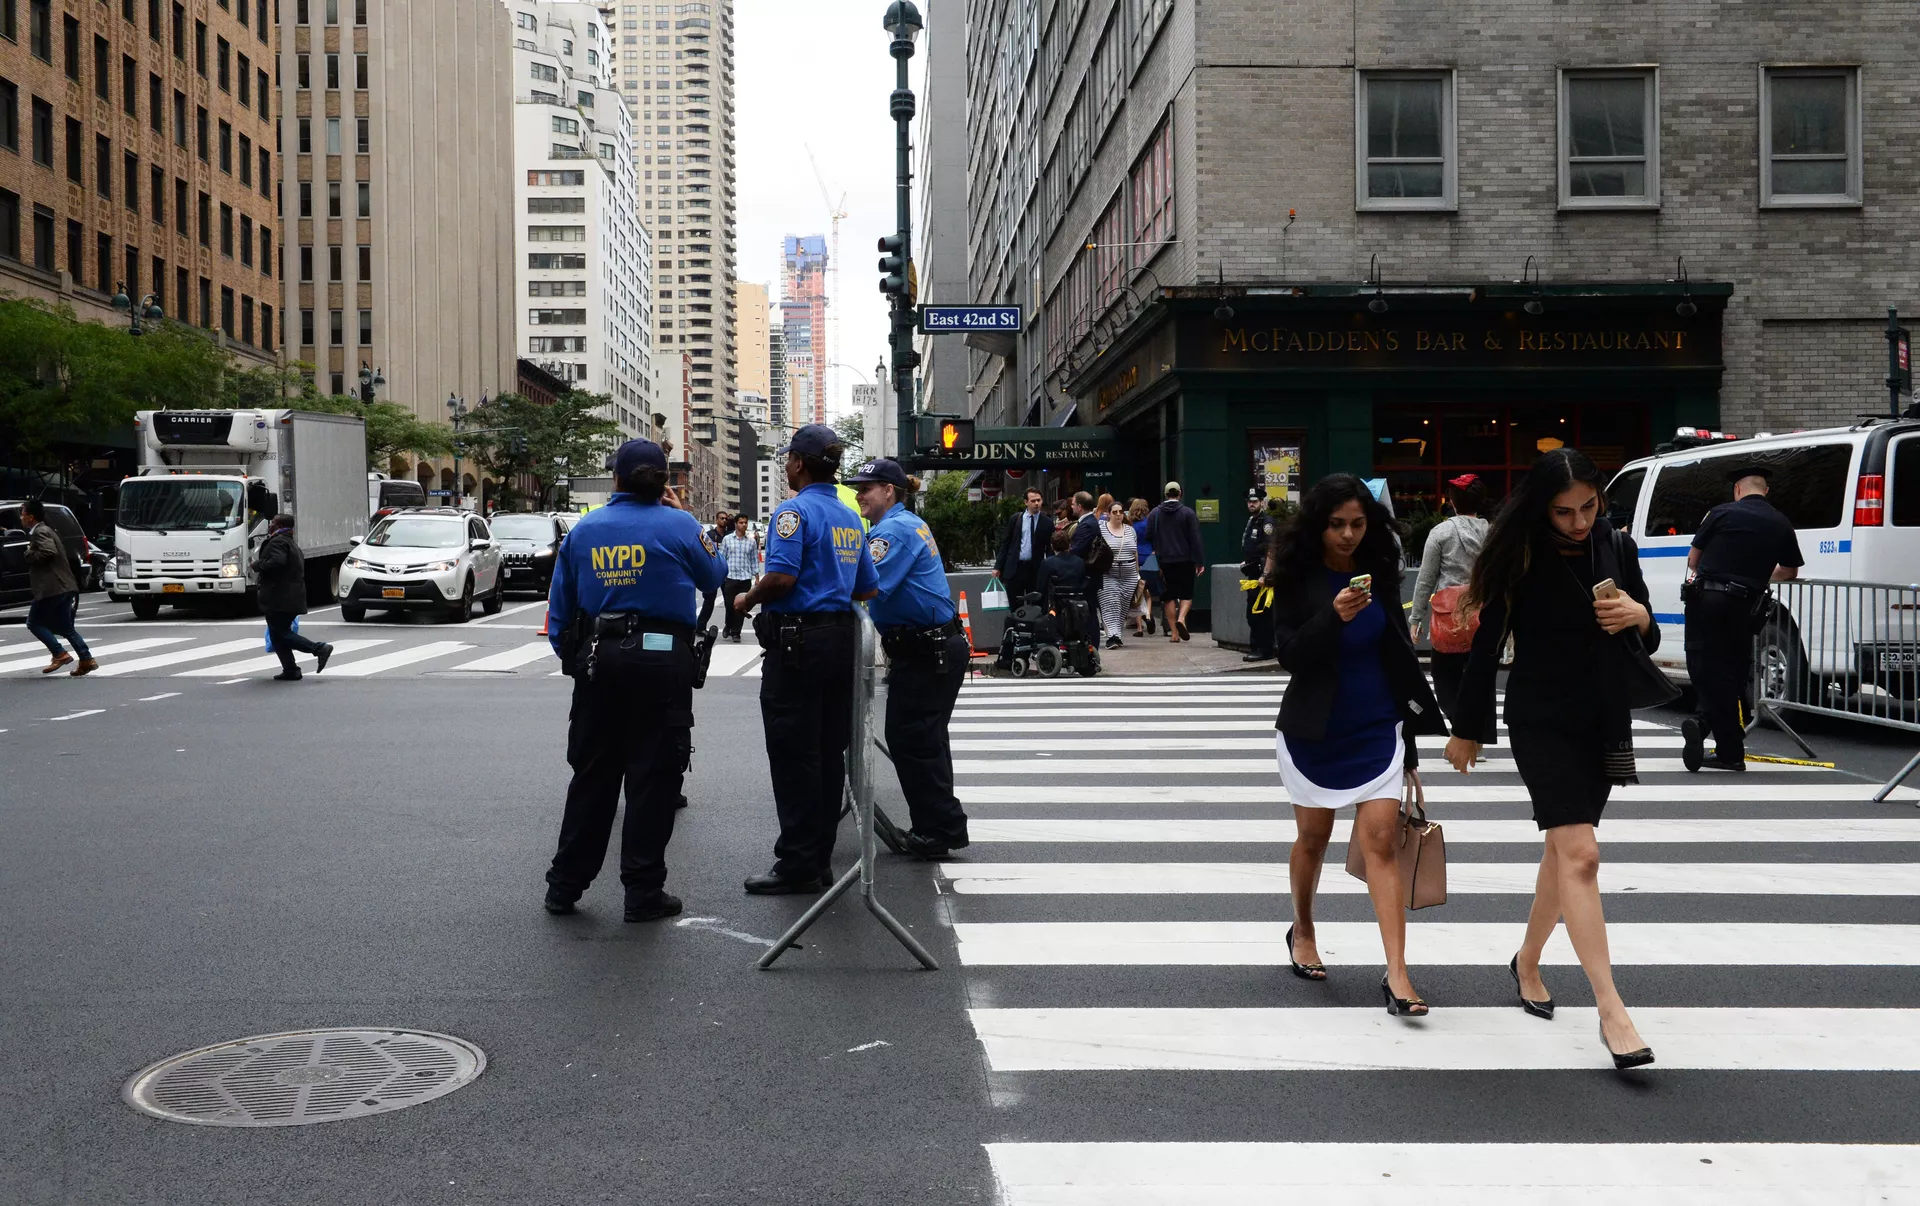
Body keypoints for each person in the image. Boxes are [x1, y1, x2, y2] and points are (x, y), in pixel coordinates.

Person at [1446, 448, 1659, 1071]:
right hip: (1540, 718)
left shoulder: (1616, 546)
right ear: (1542, 508)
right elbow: (1486, 645)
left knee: (1564, 853)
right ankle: (1612, 1011)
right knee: (1583, 854)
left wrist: (1639, 616)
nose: (1578, 521)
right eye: (1564, 512)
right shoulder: (1519, 553)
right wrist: (1468, 728)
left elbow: (1647, 637)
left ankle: (1528, 961)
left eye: (1588, 507)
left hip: (1603, 717)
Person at [1267, 476, 1448, 1017]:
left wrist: (1409, 746)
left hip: (1377, 725)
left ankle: (1398, 974)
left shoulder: (1380, 573)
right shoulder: (1296, 575)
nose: (1348, 534)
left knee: (1382, 843)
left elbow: (1398, 658)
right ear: (1318, 525)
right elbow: (1289, 654)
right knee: (1313, 837)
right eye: (1337, 524)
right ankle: (1303, 928)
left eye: (1358, 524)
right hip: (1315, 731)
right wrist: (1334, 615)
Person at [543, 439, 725, 922]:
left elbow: (560, 611)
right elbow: (715, 576)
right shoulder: (681, 526)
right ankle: (643, 893)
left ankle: (564, 887)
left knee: (593, 777)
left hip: (600, 659)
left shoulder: (585, 530)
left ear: (617, 479)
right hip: (663, 663)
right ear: (664, 482)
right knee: (654, 780)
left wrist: (576, 660)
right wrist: (683, 514)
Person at [732, 423, 879, 894]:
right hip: (839, 643)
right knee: (828, 753)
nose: (785, 466)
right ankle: (818, 859)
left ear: (798, 463)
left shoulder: (792, 512)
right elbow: (867, 588)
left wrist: (747, 599)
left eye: (788, 458)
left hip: (798, 647)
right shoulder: (850, 518)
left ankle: (798, 863)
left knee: (794, 753)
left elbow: (781, 577)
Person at [849, 457, 971, 859]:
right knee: (926, 739)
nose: (859, 495)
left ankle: (938, 831)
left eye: (866, 488)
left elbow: (866, 586)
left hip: (926, 650)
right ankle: (938, 827)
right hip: (930, 647)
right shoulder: (903, 524)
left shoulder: (894, 531)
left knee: (914, 740)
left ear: (889, 491)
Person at [1682, 463, 1803, 771]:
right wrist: (1755, 576)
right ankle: (1718, 737)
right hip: (1746, 605)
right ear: (1766, 490)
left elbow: (1693, 560)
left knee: (1705, 669)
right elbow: (1789, 571)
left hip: (1708, 601)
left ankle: (1716, 736)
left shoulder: (1720, 513)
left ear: (1737, 489)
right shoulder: (1781, 522)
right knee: (1734, 670)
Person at [1410, 473, 1491, 720]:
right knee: (1481, 680)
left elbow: (1426, 579)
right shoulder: (1492, 533)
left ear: (1452, 502)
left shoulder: (1440, 533)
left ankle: (1460, 726)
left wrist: (1416, 618)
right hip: (1483, 617)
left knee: (1444, 677)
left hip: (1449, 619)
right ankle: (1479, 734)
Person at [252, 514, 335, 682]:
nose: (269, 525)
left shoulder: (278, 542)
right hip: (288, 596)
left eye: (273, 522)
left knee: (281, 633)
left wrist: (257, 565)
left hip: (280, 598)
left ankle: (318, 648)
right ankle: (291, 669)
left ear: (279, 526)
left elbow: (277, 562)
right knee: (277, 635)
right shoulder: (290, 542)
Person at [22, 499, 97, 677]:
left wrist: (29, 554)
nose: (21, 518)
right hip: (64, 586)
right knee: (66, 628)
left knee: (34, 623)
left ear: (31, 517)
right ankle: (86, 659)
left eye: (22, 514)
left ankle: (59, 653)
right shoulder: (47, 530)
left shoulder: (40, 531)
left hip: (52, 588)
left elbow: (48, 552)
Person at [1146, 482, 1205, 641]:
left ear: (1165, 494)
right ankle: (1182, 618)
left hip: (1164, 560)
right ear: (1180, 493)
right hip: (1185, 559)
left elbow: (1148, 535)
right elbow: (1195, 539)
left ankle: (1174, 633)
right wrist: (1199, 561)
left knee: (1168, 596)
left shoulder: (1155, 513)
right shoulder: (1188, 513)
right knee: (1186, 594)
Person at [1240, 488, 1280, 662]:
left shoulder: (1266, 522)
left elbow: (1271, 550)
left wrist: (1265, 574)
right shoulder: (1252, 521)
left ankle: (1263, 649)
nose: (1251, 504)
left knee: (1260, 613)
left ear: (1262, 502)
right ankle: (1258, 647)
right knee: (1253, 612)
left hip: (1261, 574)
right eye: (1249, 501)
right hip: (1253, 572)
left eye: (1255, 501)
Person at [994, 487, 1054, 602]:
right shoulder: (1016, 519)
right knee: (1015, 604)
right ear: (1026, 502)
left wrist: (1049, 568)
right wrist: (998, 566)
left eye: (1039, 500)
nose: (1036, 503)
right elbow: (1006, 544)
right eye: (1033, 501)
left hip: (1035, 569)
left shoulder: (1047, 522)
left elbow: (1049, 548)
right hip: (1015, 568)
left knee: (1036, 604)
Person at [1097, 502, 1140, 651]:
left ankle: (1117, 635)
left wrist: (1137, 572)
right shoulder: (1101, 528)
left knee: (1122, 607)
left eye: (1120, 512)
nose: (1118, 515)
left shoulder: (1130, 530)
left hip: (1129, 574)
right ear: (1108, 514)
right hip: (1109, 573)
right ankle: (1112, 636)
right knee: (1110, 604)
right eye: (1114, 512)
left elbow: (1135, 552)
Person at [717, 514, 759, 643]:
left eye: (745, 522)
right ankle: (728, 625)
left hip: (745, 579)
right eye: (741, 522)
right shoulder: (727, 539)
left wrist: (757, 577)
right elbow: (722, 558)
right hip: (730, 577)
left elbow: (754, 560)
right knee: (729, 605)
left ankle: (736, 632)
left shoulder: (751, 541)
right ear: (736, 524)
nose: (744, 525)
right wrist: (720, 575)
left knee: (740, 606)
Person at [696, 509, 732, 628]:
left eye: (726, 519)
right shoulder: (709, 535)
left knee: (729, 601)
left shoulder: (730, 536)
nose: (724, 520)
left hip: (726, 571)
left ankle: (729, 627)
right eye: (722, 518)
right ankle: (700, 626)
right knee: (709, 600)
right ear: (716, 520)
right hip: (712, 571)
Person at [1129, 497, 1158, 636]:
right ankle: (1148, 616)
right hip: (1149, 557)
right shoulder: (1149, 523)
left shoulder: (1130, 525)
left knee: (1137, 593)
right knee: (1148, 592)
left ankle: (1139, 628)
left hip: (1135, 557)